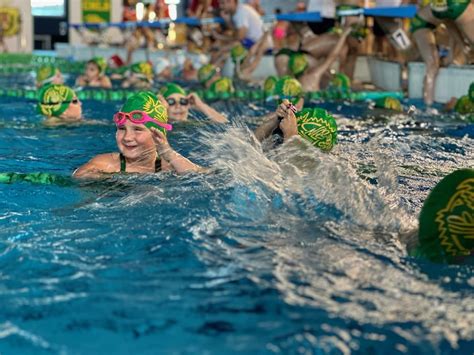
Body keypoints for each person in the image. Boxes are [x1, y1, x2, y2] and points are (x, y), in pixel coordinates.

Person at [73, 91, 203, 178]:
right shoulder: (104, 165)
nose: (127, 137)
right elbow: (77, 179)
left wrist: (168, 153)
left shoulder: (170, 167)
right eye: (122, 129)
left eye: (137, 129)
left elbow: (202, 177)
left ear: (157, 135)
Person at [159, 83, 228, 123]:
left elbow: (224, 123)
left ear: (188, 105)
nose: (178, 106)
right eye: (171, 102)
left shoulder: (195, 125)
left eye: (183, 101)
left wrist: (201, 105)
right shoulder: (160, 129)